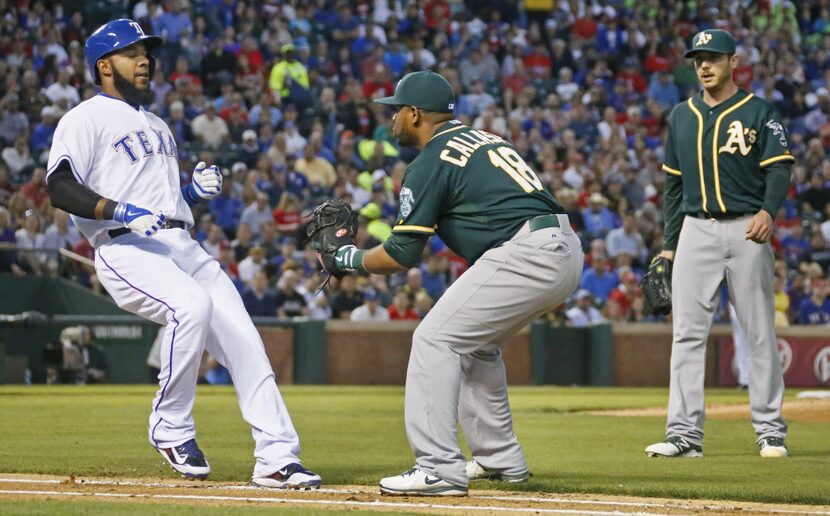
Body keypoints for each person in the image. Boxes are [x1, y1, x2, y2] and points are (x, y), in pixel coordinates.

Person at [44, 19, 320, 489]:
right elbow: (60, 187)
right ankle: (169, 425)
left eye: (146, 52)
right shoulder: (84, 118)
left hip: (181, 244)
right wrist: (120, 210)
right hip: (125, 247)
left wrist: (190, 193)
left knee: (246, 344)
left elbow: (163, 206)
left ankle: (277, 458)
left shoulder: (157, 124)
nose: (146, 60)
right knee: (190, 307)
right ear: (104, 65)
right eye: (133, 53)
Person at [325, 71, 583, 495]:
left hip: (528, 251)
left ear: (414, 114)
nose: (391, 121)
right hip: (560, 246)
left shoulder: (429, 161)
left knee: (434, 339)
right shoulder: (482, 138)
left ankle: (437, 468)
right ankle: (500, 460)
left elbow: (400, 255)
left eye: (396, 112)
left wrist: (346, 257)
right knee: (476, 345)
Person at [645, 29, 792, 460]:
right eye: (698, 59)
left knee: (759, 330)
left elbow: (780, 168)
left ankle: (770, 431)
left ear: (734, 62)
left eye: (713, 57)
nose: (704, 65)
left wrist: (769, 211)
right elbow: (673, 187)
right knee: (687, 334)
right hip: (695, 228)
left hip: (748, 227)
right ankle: (684, 435)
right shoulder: (681, 115)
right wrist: (669, 246)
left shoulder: (759, 111)